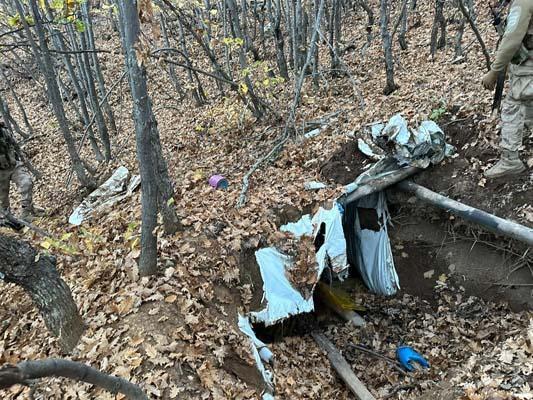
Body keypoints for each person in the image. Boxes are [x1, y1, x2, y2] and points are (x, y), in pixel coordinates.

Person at [482, 0, 533, 178]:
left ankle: (510, 161)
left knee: (513, 105)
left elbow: (511, 40)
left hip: (529, 68)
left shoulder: (523, 3)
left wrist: (494, 72)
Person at [0, 121, 43, 222]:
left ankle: (26, 212)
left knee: (26, 183)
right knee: (2, 200)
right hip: (1, 172)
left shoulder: (3, 131)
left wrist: (23, 158)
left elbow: (15, 145)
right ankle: (8, 220)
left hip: (14, 165)